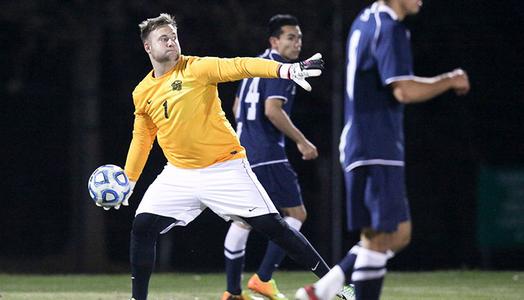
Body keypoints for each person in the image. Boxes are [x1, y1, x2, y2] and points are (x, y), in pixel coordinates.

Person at [106, 13, 331, 300]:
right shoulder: (143, 92)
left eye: (173, 36)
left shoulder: (197, 68)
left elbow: (240, 65)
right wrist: (130, 179)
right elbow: (142, 137)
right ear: (148, 47)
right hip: (178, 173)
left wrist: (285, 70)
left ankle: (336, 283)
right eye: (163, 38)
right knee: (142, 227)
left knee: (274, 227)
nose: (171, 41)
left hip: (225, 168)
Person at [295, 1, 470, 299]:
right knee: (381, 238)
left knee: (395, 233)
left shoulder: (365, 20)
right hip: (375, 145)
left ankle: (322, 290)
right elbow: (403, 90)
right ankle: (325, 291)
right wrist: (450, 80)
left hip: (363, 143)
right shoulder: (389, 27)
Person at [222, 14, 318, 300]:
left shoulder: (255, 64)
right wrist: (302, 141)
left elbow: (238, 107)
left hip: (243, 153)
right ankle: (263, 278)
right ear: (274, 41)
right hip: (269, 155)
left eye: (299, 37)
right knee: (296, 214)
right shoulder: (280, 68)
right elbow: (272, 110)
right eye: (291, 37)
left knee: (243, 221)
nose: (297, 43)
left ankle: (231, 291)